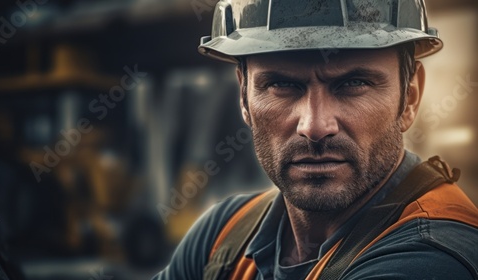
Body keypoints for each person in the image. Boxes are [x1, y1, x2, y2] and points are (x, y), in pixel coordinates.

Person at [153, 1, 478, 279]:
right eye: (281, 85)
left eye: (353, 83)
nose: (314, 126)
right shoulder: (224, 235)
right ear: (243, 97)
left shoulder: (428, 260)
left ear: (409, 97)